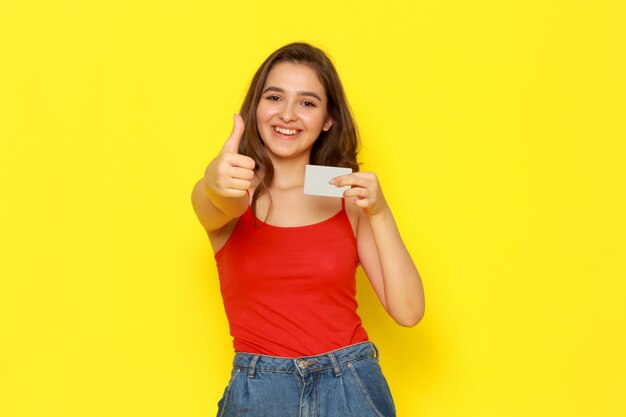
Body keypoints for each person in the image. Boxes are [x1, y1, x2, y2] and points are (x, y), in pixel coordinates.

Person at [191, 42, 424, 417]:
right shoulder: (233, 192)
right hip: (259, 390)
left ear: (328, 118)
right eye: (275, 97)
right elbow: (220, 198)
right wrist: (216, 176)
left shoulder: (344, 196)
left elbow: (409, 311)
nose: (288, 114)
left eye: (307, 103)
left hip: (349, 383)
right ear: (256, 108)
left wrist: (379, 212)